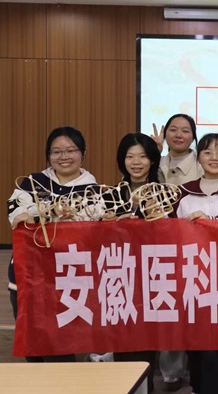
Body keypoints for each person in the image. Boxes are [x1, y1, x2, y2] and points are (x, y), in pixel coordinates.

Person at [7, 126, 102, 363]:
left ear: (83, 153)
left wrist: (39, 214)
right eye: (56, 152)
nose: (63, 157)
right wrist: (51, 214)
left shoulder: (95, 191)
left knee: (61, 344)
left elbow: (90, 225)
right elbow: (16, 214)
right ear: (48, 155)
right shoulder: (31, 183)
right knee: (32, 342)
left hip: (68, 278)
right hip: (28, 275)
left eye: (71, 150)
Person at [171, 133, 218, 394]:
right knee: (196, 342)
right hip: (192, 277)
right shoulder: (182, 193)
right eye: (207, 152)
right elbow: (169, 235)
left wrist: (214, 225)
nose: (214, 158)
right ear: (198, 157)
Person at [151, 113, 203, 391]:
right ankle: (171, 372)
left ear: (193, 136)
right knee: (167, 304)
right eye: (173, 129)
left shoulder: (203, 163)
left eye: (185, 130)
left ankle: (198, 368)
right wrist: (154, 154)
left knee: (194, 307)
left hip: (194, 245)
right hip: (159, 244)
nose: (179, 135)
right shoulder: (155, 163)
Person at [107, 132, 162, 392]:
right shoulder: (110, 194)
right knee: (121, 339)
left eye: (142, 156)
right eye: (130, 157)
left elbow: (171, 234)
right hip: (118, 277)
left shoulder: (164, 192)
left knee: (146, 342)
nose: (136, 162)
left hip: (152, 278)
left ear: (152, 160)